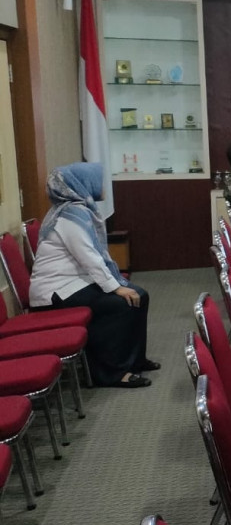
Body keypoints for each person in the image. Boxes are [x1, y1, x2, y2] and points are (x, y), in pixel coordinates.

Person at [28, 163, 155, 388]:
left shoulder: (77, 209)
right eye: (98, 180)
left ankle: (135, 360)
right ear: (83, 184)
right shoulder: (69, 215)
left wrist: (117, 284)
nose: (103, 186)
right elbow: (88, 255)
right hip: (56, 292)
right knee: (119, 304)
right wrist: (116, 287)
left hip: (74, 283)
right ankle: (111, 372)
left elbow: (92, 256)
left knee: (140, 295)